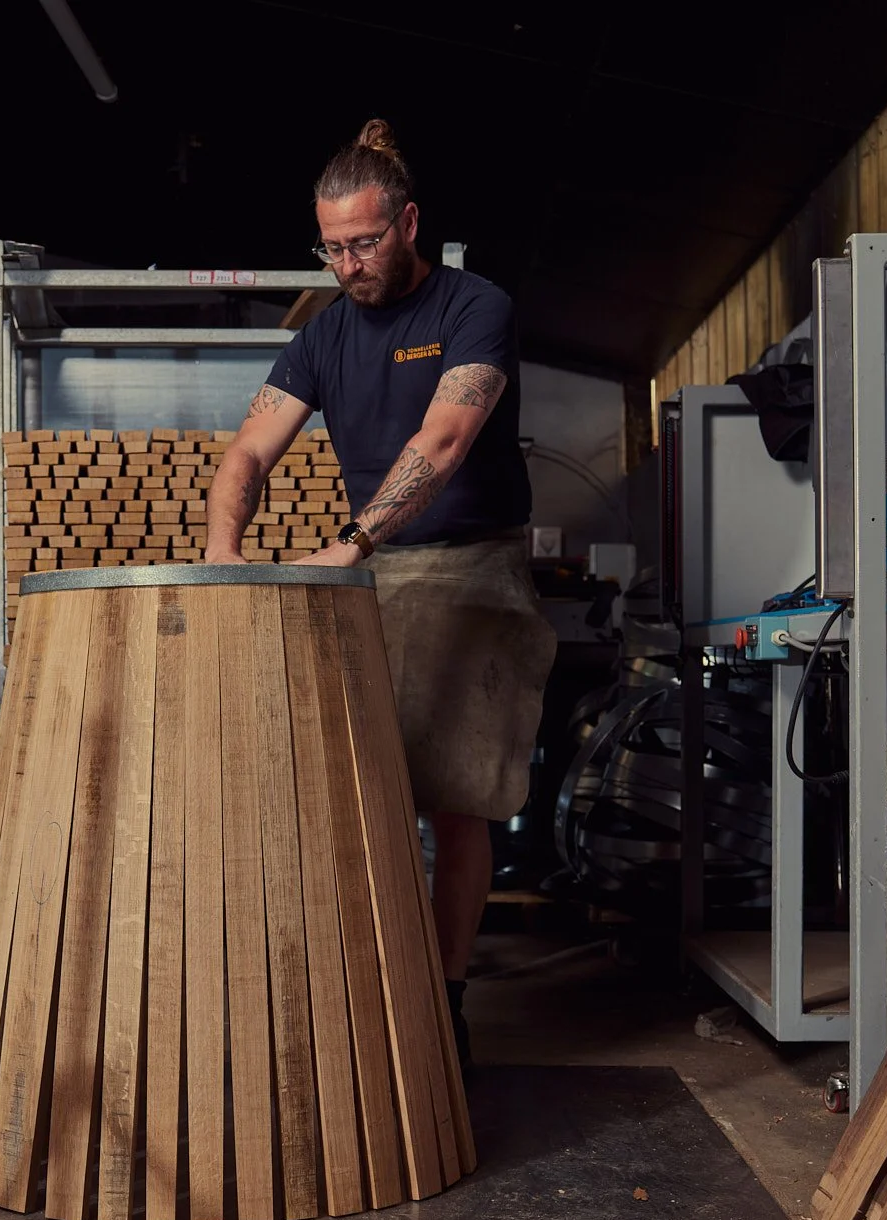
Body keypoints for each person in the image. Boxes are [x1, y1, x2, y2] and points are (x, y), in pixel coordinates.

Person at [204, 118, 557, 1067]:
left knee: (454, 798)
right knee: (360, 784)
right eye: (332, 246)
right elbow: (247, 450)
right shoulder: (320, 338)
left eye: (363, 242)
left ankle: (442, 999)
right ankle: (367, 982)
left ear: (408, 223)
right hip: (370, 574)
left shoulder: (474, 307)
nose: (349, 263)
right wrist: (222, 550)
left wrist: (349, 541)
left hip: (470, 566)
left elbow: (442, 444)